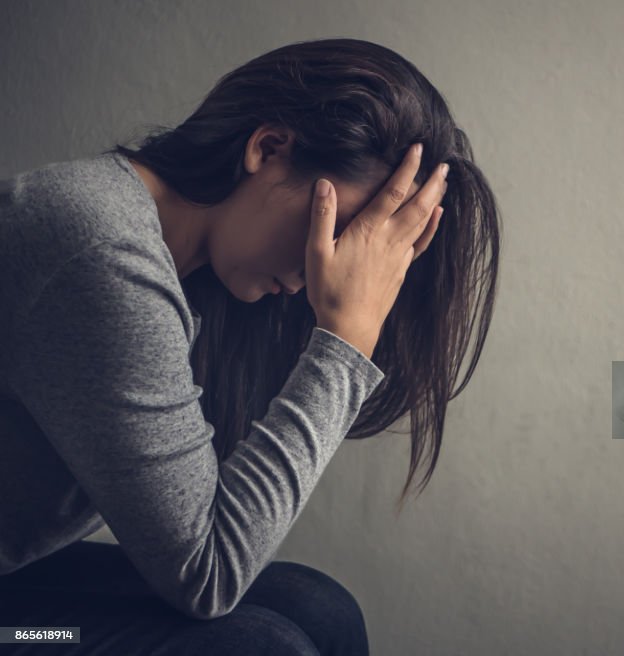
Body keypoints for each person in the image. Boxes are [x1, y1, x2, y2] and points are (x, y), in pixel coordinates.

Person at [0, 38, 501, 654]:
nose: (328, 270)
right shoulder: (101, 249)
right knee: (260, 646)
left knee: (316, 607)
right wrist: (346, 337)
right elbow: (206, 575)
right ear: (267, 149)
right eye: (340, 232)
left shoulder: (170, 267)